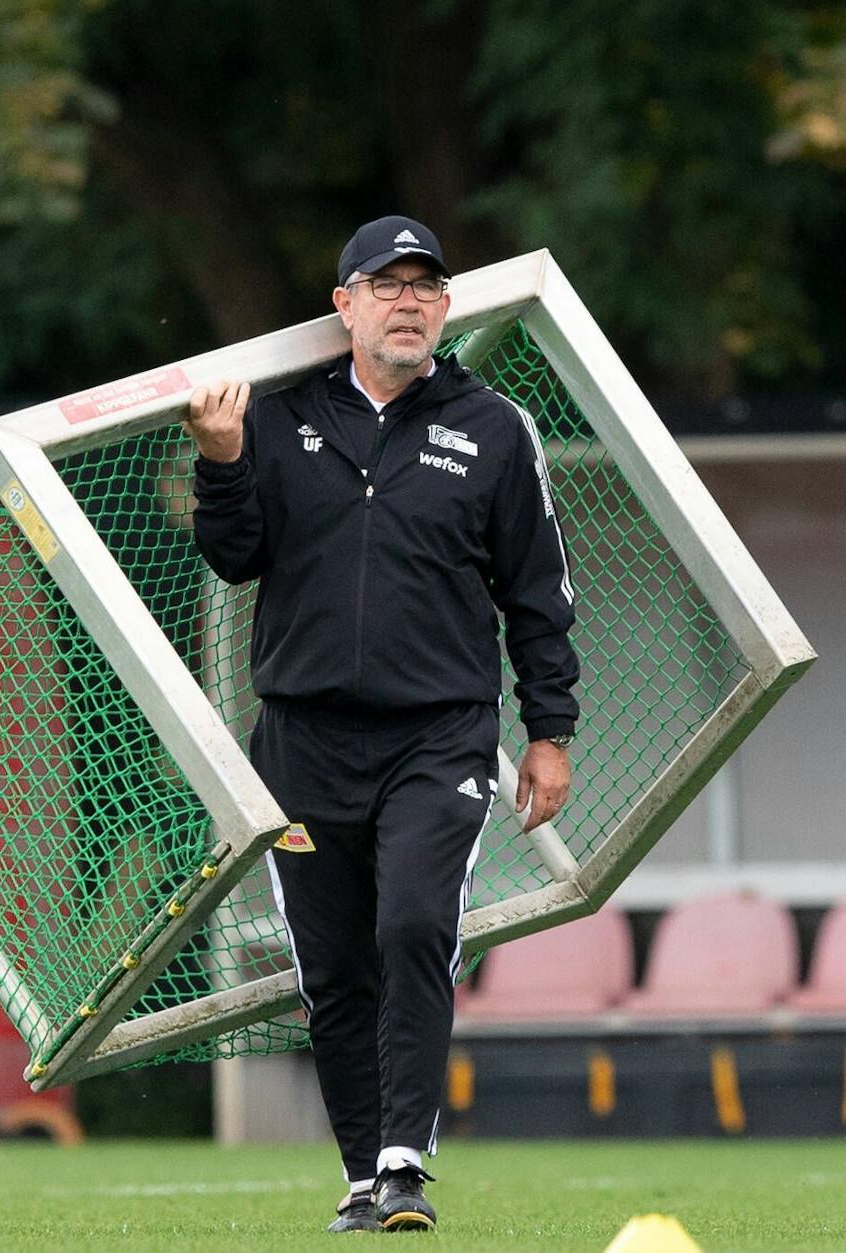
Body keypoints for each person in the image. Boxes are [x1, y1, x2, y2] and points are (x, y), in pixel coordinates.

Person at [186, 216, 579, 1232]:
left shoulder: (493, 428)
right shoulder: (276, 418)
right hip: (300, 741)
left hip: (437, 736)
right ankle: (365, 1176)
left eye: (425, 286)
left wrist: (548, 729)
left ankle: (406, 1158)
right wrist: (222, 460)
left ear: (445, 307)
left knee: (411, 918)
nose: (408, 301)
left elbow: (538, 595)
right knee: (327, 963)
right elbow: (235, 557)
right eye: (386, 283)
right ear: (344, 305)